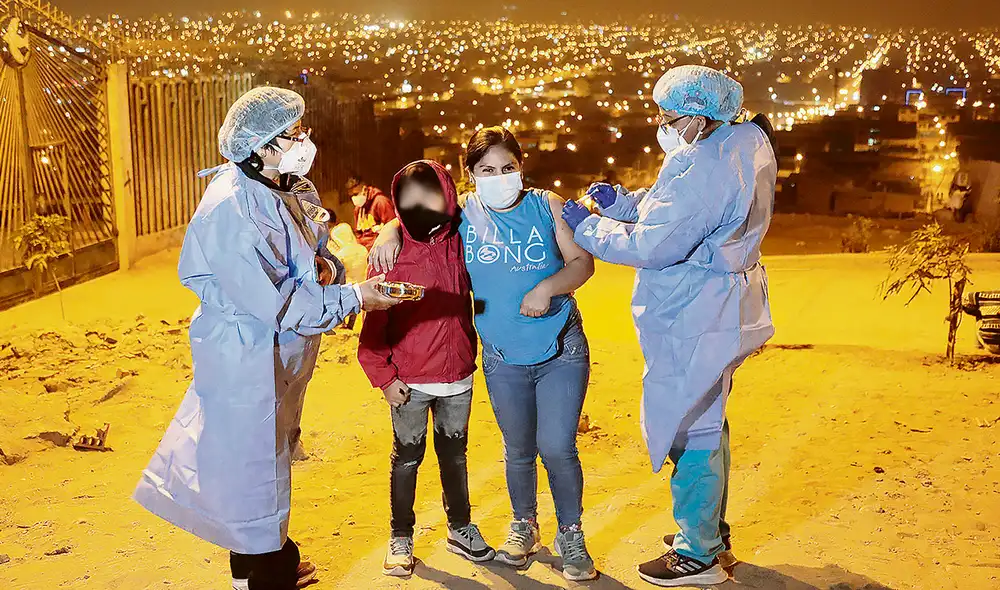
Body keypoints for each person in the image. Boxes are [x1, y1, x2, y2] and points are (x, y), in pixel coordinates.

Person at [133, 87, 399, 590]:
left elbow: (312, 247)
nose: (304, 143)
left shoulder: (287, 185)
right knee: (252, 464)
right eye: (292, 136)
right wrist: (357, 297)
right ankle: (260, 573)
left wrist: (329, 263)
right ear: (258, 147)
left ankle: (270, 558)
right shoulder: (231, 211)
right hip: (247, 352)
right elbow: (280, 305)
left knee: (266, 457)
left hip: (280, 355)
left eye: (303, 132)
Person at [561, 65, 776, 587]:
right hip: (720, 302)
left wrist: (588, 226)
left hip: (698, 309)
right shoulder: (736, 141)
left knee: (689, 423)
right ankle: (710, 531)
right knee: (709, 412)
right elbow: (671, 207)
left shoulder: (711, 171)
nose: (663, 123)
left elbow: (654, 244)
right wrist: (626, 203)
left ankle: (697, 554)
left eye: (671, 116)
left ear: (701, 118)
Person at [369, 127, 598, 581]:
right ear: (469, 175)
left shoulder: (546, 205)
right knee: (517, 450)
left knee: (555, 447)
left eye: (508, 168)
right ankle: (525, 525)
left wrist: (547, 287)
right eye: (487, 170)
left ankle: (571, 535)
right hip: (500, 352)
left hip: (559, 345)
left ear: (522, 166)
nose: (499, 177)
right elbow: (418, 213)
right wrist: (390, 228)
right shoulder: (464, 216)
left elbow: (583, 262)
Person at [358, 160, 495, 577]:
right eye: (410, 199)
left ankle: (460, 527)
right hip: (409, 382)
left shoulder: (462, 239)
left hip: (457, 376)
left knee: (454, 457)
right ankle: (401, 535)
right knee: (407, 458)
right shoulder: (389, 254)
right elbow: (373, 327)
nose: (421, 205)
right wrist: (384, 379)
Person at [348, 172, 396, 250]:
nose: (354, 198)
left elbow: (393, 228)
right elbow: (358, 233)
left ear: (365, 189)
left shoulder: (381, 202)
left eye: (356, 194)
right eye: (351, 196)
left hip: (381, 248)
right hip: (364, 250)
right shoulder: (358, 209)